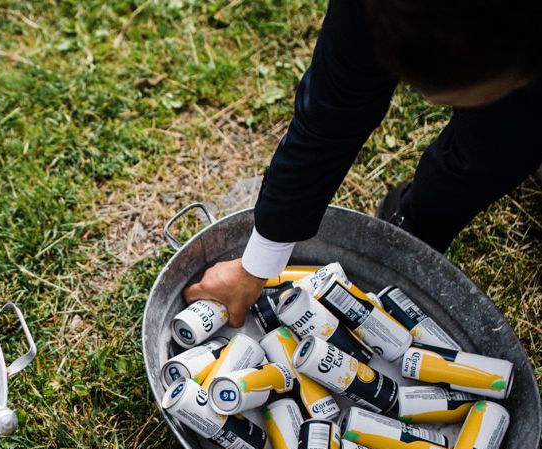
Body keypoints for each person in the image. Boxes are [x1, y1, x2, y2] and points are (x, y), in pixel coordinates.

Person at [183, 0, 542, 326]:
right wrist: (257, 264)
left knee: (502, 139)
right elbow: (329, 116)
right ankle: (416, 220)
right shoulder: (370, 10)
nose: (431, 104)